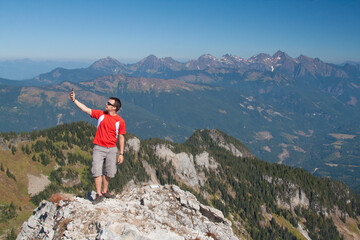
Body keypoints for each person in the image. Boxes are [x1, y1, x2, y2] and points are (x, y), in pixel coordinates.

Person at [70, 89, 126, 204]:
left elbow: (121, 137)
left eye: (109, 103)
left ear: (114, 108)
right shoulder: (100, 114)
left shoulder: (120, 121)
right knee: (96, 170)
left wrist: (121, 154)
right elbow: (85, 109)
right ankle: (99, 194)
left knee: (109, 172)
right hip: (99, 148)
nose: (106, 104)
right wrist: (74, 100)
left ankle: (105, 191)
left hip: (111, 149)